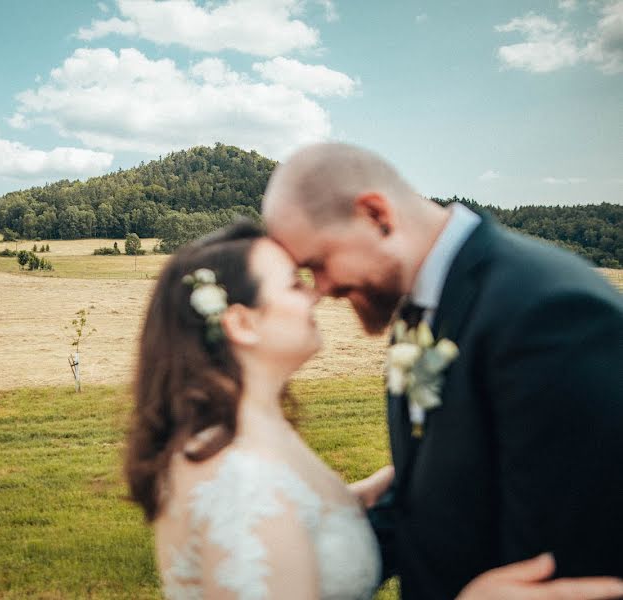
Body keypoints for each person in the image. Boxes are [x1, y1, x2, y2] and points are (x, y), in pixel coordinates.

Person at [124, 220, 623, 600]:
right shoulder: (240, 482)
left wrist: (430, 468)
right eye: (295, 283)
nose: (318, 291)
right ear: (242, 323)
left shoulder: (252, 436)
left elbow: (300, 518)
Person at [262, 143, 623, 600]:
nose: (324, 289)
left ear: (376, 214)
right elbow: (440, 496)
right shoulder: (416, 309)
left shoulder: (547, 312)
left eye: (318, 263)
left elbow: (569, 565)